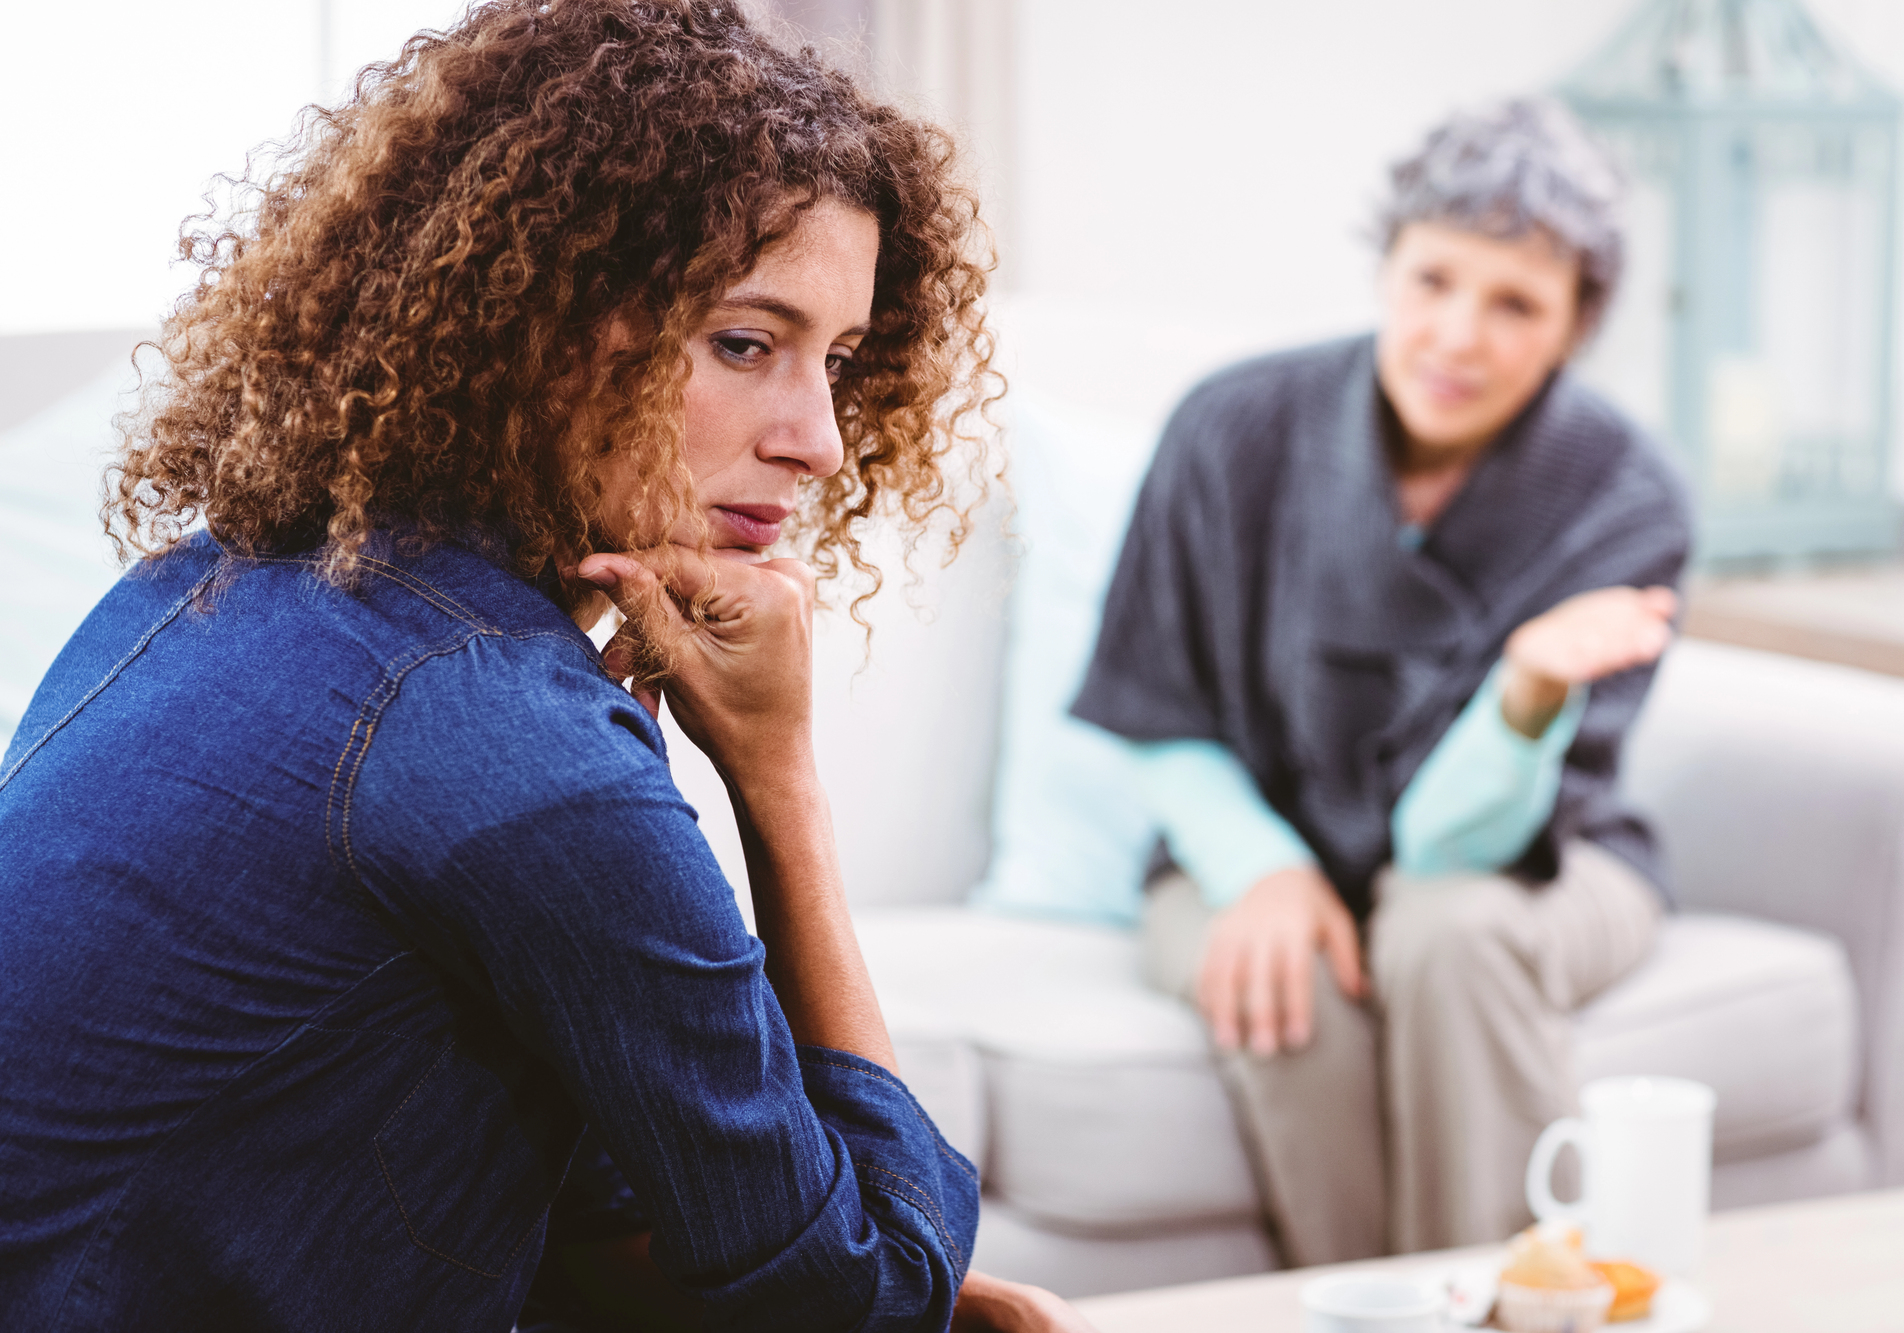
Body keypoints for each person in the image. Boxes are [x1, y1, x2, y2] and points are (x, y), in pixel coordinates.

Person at [0, 4, 1088, 1330]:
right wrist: (781, 783)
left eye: (841, 362)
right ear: (539, 324)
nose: (820, 442)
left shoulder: (206, 585)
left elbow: (598, 1217)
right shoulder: (495, 731)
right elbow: (849, 1297)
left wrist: (905, 1289)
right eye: (745, 342)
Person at [1071, 99, 1692, 1265]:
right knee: (1277, 967)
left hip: (1540, 861)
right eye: (1432, 280)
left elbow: (1454, 855)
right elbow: (1154, 707)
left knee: (1448, 938)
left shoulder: (1627, 495)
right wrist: (1259, 869)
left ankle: (1519, 1296)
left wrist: (1522, 698)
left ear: (1574, 327)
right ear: (1386, 269)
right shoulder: (1229, 428)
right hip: (1243, 841)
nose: (1456, 335)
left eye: (1514, 304)